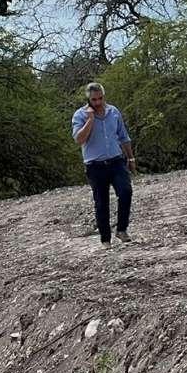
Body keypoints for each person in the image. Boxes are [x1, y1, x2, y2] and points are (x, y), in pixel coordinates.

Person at [71, 82, 136, 249]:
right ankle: (105, 239)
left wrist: (131, 158)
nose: (98, 102)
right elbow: (79, 139)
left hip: (116, 161)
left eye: (100, 98)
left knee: (126, 191)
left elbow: (123, 136)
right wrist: (90, 120)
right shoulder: (80, 115)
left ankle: (121, 229)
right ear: (88, 99)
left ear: (103, 96)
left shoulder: (113, 112)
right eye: (94, 100)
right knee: (101, 202)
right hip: (95, 165)